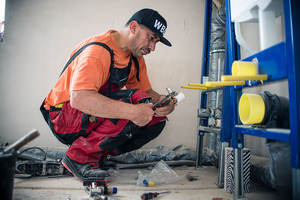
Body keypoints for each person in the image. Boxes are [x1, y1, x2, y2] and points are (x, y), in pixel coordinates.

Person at [40, 8, 175, 182]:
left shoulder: (135, 58)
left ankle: (95, 156)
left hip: (88, 116)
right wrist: (132, 111)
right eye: (151, 38)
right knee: (135, 103)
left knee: (155, 118)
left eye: (156, 42)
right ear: (133, 27)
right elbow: (79, 98)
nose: (153, 47)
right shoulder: (98, 51)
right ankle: (79, 157)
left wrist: (166, 102)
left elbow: (147, 93)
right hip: (63, 116)